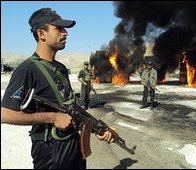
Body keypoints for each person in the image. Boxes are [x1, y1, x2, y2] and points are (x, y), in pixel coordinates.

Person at [1, 8, 115, 169]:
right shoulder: (26, 70)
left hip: (73, 144)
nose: (65, 33)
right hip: (50, 150)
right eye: (59, 28)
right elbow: (5, 114)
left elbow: (71, 108)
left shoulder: (60, 68)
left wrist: (98, 128)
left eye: (64, 29)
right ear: (42, 34)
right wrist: (52, 118)